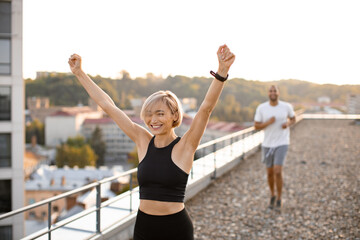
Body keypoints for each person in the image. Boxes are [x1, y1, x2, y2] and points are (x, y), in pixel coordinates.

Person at [68, 44, 235, 240]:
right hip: (144, 227)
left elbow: (206, 108)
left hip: (176, 229)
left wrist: (222, 72)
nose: (153, 120)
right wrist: (79, 73)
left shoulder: (186, 145)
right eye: (148, 114)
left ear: (174, 115)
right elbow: (108, 106)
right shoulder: (142, 140)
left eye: (160, 113)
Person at [254, 85, 296, 211]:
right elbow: (256, 126)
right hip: (267, 144)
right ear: (268, 93)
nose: (273, 93)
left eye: (275, 91)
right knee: (270, 173)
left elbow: (293, 118)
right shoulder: (262, 108)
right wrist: (268, 122)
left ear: (278, 93)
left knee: (278, 171)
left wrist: (288, 123)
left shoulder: (286, 106)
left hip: (282, 142)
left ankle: (279, 198)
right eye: (271, 91)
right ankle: (272, 195)